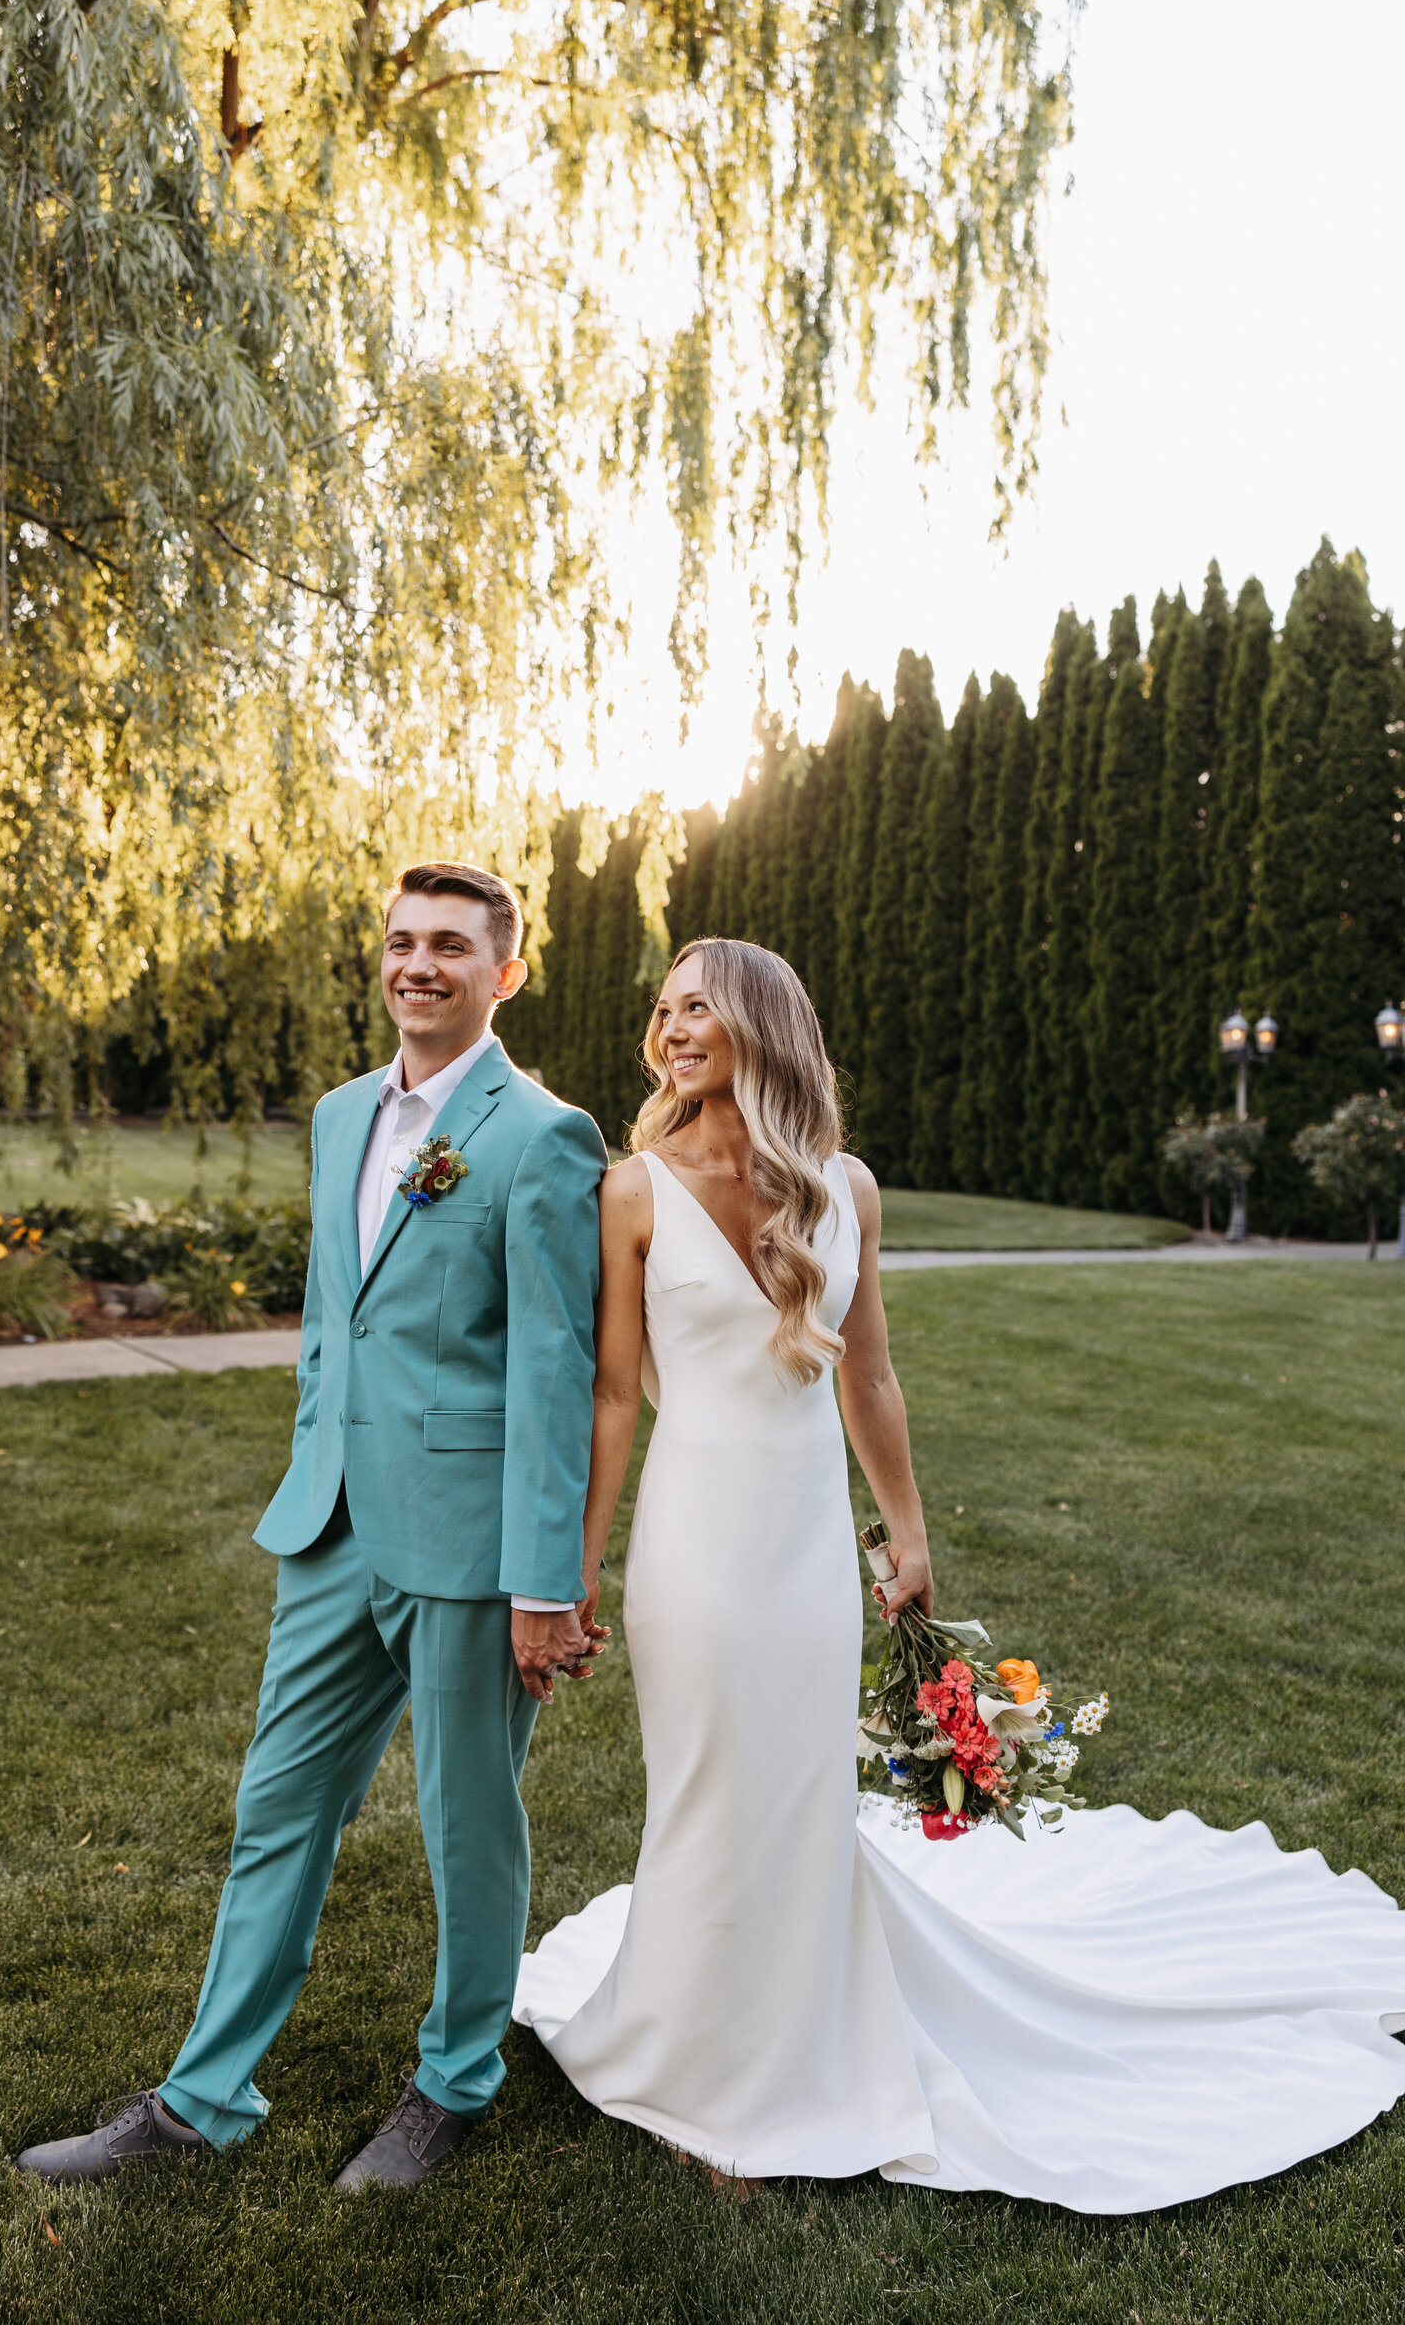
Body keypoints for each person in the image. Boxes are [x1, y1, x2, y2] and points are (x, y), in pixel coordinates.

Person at [514, 936, 1405, 2210]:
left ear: (761, 1023)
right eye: (660, 1011)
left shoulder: (844, 1188)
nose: (670, 1029)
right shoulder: (633, 1192)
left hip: (806, 1543)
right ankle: (703, 2074)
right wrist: (578, 1560)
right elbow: (611, 1394)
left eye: (697, 1006)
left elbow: (867, 1373)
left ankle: (795, 2041)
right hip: (694, 1545)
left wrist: (905, 1531)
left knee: (800, 1791)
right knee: (707, 1787)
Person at [16, 863, 607, 2193]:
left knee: (469, 1823)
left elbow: (556, 1371)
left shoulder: (543, 1134)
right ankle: (200, 2096)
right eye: (402, 941)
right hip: (331, 1528)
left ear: (502, 973)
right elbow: (331, 1320)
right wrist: (310, 1460)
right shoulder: (344, 1115)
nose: (419, 964)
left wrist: (541, 1577)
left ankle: (452, 2081)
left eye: (451, 945)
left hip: (468, 1548)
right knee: (277, 1806)